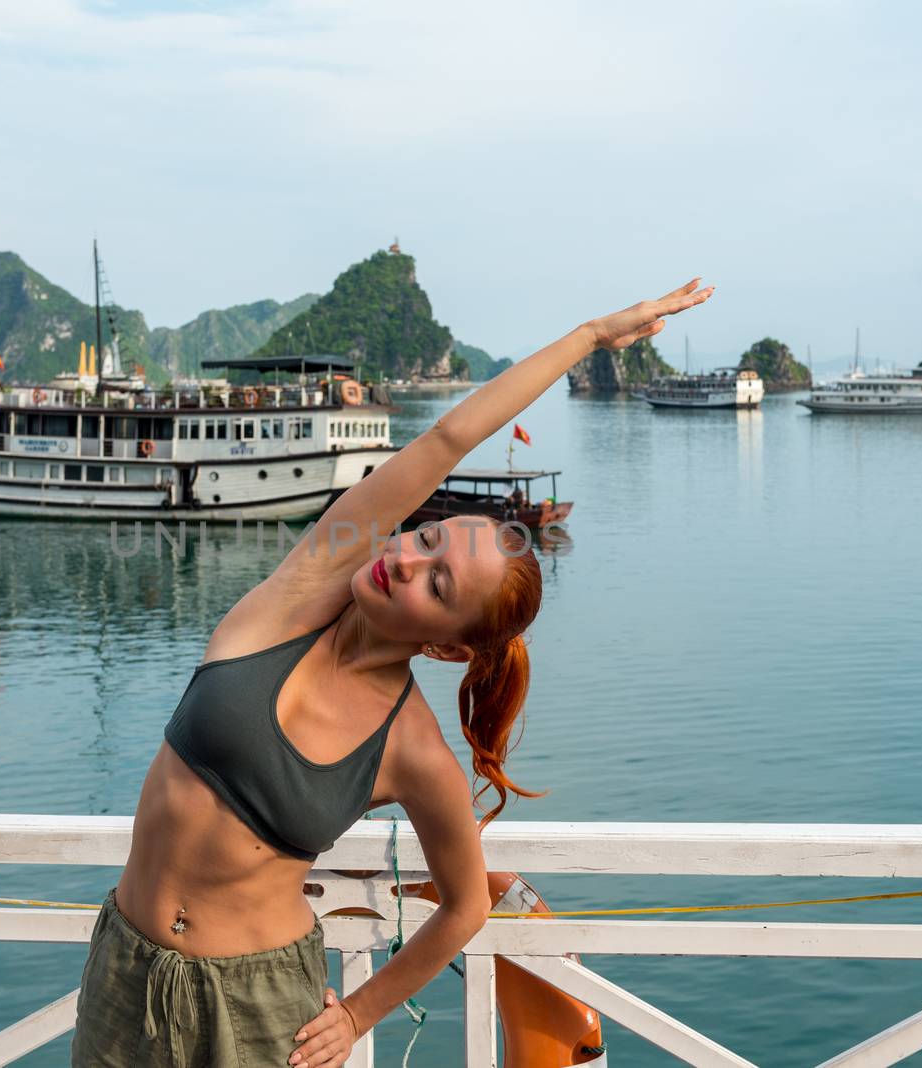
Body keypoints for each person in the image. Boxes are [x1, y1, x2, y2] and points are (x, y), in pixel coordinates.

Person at [71, 279, 713, 1067]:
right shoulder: (297, 597)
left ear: (446, 649)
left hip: (261, 1007)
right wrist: (588, 336)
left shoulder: (412, 750)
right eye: (429, 542)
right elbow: (445, 442)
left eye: (437, 587)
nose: (405, 560)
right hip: (127, 971)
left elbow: (466, 906)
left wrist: (361, 1014)